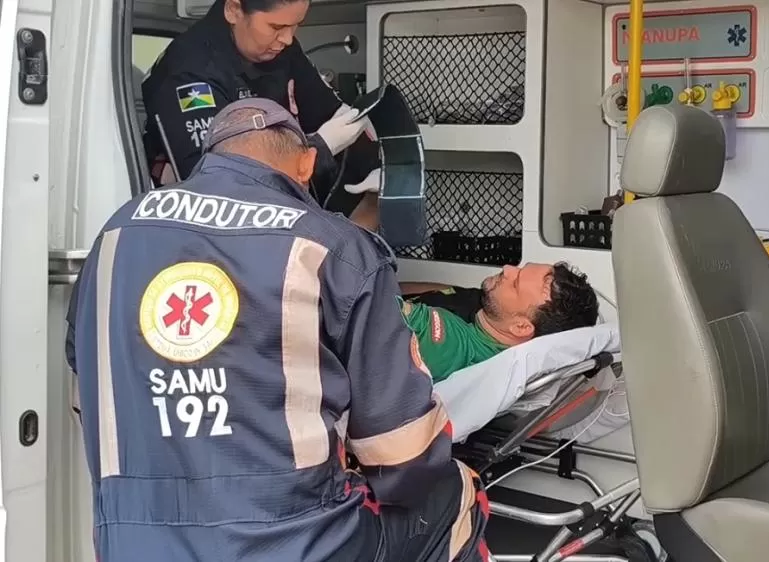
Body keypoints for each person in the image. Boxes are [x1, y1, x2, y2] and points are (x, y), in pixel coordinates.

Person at [64, 99, 490, 562]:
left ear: (211, 156)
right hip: (296, 541)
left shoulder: (117, 233)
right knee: (456, 491)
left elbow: (85, 367)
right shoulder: (332, 246)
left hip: (130, 542)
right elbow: (403, 456)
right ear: (307, 163)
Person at [141, 0, 381, 230]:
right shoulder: (189, 72)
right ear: (233, 10)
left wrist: (370, 153)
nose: (287, 39)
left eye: (295, 25)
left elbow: (326, 109)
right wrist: (321, 147)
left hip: (284, 204)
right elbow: (217, 184)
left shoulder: (281, 49)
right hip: (220, 222)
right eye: (276, 27)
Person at [398, 263, 601, 382]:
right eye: (519, 269)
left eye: (515, 283)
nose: (507, 269)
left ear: (521, 327)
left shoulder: (446, 340)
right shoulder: (485, 319)